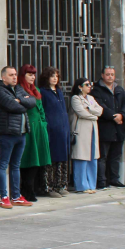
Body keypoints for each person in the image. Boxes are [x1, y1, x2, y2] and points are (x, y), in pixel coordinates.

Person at [0, 66, 36, 208]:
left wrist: (20, 100)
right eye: (11, 75)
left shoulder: (18, 89)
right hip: (7, 133)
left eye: (15, 74)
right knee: (3, 164)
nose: (14, 77)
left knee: (16, 165)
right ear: (3, 77)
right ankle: (4, 197)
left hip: (21, 133)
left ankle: (16, 196)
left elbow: (33, 102)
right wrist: (22, 102)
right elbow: (13, 106)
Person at [93, 66, 125, 189]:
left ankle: (114, 179)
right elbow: (100, 106)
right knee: (102, 156)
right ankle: (101, 181)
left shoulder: (119, 89)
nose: (110, 77)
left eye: (112, 74)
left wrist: (122, 115)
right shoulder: (97, 90)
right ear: (102, 75)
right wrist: (113, 116)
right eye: (108, 74)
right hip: (105, 126)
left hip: (118, 128)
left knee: (116, 156)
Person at [18, 64, 50, 202]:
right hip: (28, 128)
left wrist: (43, 123)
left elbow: (41, 109)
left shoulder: (36, 90)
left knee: (38, 160)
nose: (32, 77)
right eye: (29, 74)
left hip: (39, 128)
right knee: (28, 159)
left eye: (34, 74)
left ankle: (32, 189)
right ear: (23, 75)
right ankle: (26, 189)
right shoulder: (19, 89)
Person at [38, 68, 70, 197]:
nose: (55, 78)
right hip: (52, 129)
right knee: (51, 158)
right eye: (52, 76)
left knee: (62, 158)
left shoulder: (59, 91)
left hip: (62, 129)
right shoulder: (43, 92)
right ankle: (49, 187)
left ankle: (61, 185)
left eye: (56, 76)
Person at [70, 78, 102, 193]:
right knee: (81, 157)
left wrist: (90, 109)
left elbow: (100, 110)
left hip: (92, 130)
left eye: (90, 84)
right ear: (80, 86)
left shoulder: (91, 98)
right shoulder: (76, 98)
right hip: (81, 131)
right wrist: (94, 116)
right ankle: (82, 186)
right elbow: (81, 113)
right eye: (87, 85)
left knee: (92, 157)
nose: (89, 87)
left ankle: (91, 185)